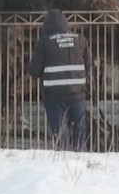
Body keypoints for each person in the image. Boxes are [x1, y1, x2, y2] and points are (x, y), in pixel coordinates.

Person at [28, 10, 93, 152]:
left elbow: (34, 71)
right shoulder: (80, 40)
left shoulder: (44, 43)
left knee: (61, 136)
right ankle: (82, 162)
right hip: (77, 95)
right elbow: (89, 64)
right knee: (80, 135)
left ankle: (62, 165)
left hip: (54, 97)